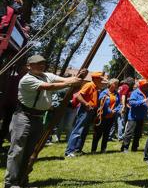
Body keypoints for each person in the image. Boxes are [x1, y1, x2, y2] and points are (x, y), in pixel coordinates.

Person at [4, 55, 82, 188]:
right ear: (29, 66)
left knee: (29, 151)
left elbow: (65, 79)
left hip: (38, 118)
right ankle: (10, 183)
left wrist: (77, 78)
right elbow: (49, 86)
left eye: (43, 63)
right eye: (37, 63)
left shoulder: (47, 75)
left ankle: (23, 181)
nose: (41, 65)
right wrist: (70, 83)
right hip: (23, 117)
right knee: (17, 151)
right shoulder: (27, 79)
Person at [65, 71, 107, 157]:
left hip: (90, 111)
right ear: (95, 79)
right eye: (100, 79)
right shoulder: (89, 85)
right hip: (85, 110)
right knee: (78, 130)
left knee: (84, 131)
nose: (102, 81)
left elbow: (106, 83)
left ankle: (78, 149)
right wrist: (86, 104)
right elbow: (78, 95)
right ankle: (69, 151)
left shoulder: (95, 87)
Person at [121, 79, 148, 152]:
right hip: (133, 117)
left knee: (138, 133)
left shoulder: (147, 93)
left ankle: (134, 148)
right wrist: (143, 101)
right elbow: (131, 103)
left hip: (141, 116)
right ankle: (125, 147)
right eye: (146, 85)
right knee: (129, 133)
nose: (147, 86)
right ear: (142, 86)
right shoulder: (135, 93)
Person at [91, 78, 120, 153]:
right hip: (102, 116)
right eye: (115, 83)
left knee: (106, 134)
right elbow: (102, 104)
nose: (117, 85)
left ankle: (103, 149)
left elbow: (119, 104)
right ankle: (93, 150)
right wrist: (110, 111)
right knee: (98, 134)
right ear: (110, 84)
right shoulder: (104, 93)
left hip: (111, 117)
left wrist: (115, 111)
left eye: (117, 83)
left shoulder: (117, 94)